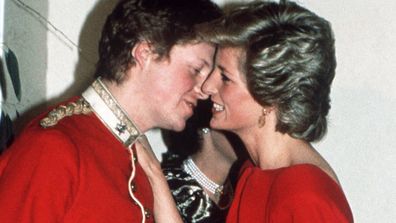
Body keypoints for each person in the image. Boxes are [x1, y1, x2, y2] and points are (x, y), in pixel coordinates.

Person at [0, 0, 222, 222]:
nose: (205, 90)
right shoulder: (54, 147)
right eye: (196, 70)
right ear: (144, 54)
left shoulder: (138, 161)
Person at [198, 0, 354, 222]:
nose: (207, 87)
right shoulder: (254, 172)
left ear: (271, 96)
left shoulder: (305, 195)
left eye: (225, 77)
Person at [161, 99, 246, 223]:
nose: (249, 133)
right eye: (238, 124)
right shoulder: (169, 192)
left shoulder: (246, 187)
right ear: (205, 127)